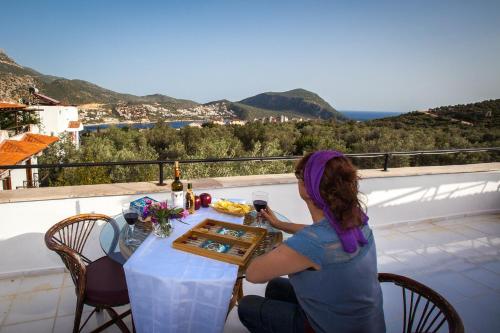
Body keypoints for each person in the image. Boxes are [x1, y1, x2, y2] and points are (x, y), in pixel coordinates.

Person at [238, 150, 385, 333]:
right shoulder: (356, 220)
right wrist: (279, 224)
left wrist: (279, 248)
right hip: (363, 322)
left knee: (247, 305)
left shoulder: (312, 244)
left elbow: (253, 274)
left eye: (300, 176)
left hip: (329, 328)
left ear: (309, 187)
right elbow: (321, 235)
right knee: (275, 285)